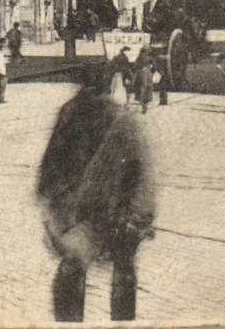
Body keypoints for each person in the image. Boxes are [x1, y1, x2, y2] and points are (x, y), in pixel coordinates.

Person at [36, 66, 155, 322]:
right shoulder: (119, 117)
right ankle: (122, 322)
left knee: (73, 269)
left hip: (81, 210)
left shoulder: (70, 112)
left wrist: (52, 203)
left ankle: (70, 323)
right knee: (122, 269)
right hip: (115, 208)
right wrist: (140, 212)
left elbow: (50, 165)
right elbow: (139, 166)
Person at [131, 49, 155, 114]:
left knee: (142, 89)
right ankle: (144, 106)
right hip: (147, 74)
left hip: (141, 74)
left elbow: (134, 67)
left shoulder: (139, 58)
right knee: (146, 89)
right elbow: (154, 67)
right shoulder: (149, 58)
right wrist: (151, 72)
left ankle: (144, 106)